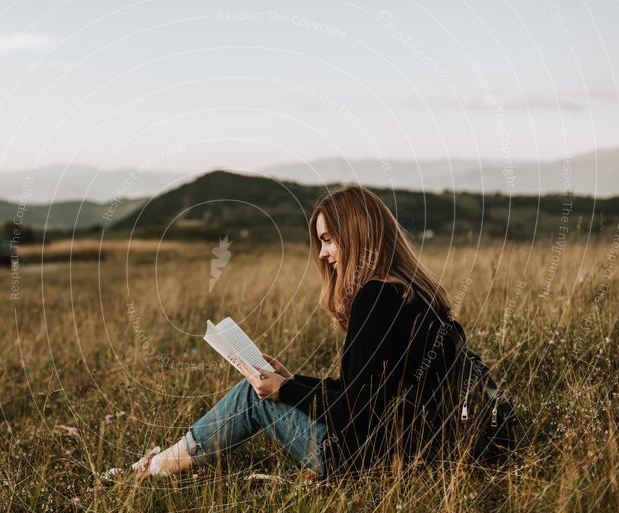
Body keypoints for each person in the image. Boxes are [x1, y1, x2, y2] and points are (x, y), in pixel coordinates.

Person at [106, 184, 465, 482]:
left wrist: (284, 390)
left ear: (356, 234)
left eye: (329, 239)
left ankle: (152, 469)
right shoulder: (411, 292)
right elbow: (370, 393)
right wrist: (292, 382)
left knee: (251, 396)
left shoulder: (374, 297)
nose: (323, 254)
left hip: (366, 460)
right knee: (265, 386)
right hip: (411, 448)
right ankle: (157, 464)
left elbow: (357, 412)